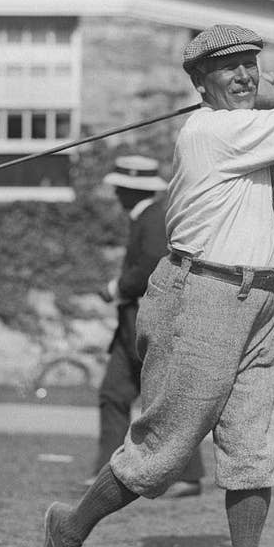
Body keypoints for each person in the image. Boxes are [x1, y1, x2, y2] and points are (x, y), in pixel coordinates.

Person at [40, 23, 274, 547]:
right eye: (228, 68)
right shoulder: (213, 131)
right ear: (200, 83)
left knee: (252, 449)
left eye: (251, 65)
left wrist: (271, 101)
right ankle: (68, 526)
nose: (244, 76)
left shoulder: (247, 132)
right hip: (199, 295)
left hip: (260, 299)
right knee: (164, 452)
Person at [90, 154, 205, 497]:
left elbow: (152, 268)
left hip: (149, 322)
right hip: (130, 326)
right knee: (114, 393)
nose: (115, 195)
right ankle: (106, 472)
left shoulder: (154, 220)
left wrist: (116, 288)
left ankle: (187, 475)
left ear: (128, 190)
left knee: (162, 398)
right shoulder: (145, 217)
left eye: (119, 188)